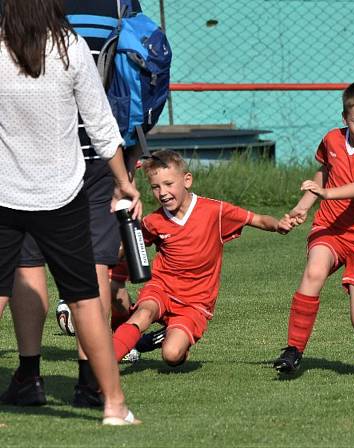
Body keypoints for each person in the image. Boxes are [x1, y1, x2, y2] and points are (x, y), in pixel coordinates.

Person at [1, 0, 146, 409]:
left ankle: (28, 377)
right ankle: (103, 395)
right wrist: (124, 181)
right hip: (70, 185)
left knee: (16, 281)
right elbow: (101, 123)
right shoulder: (72, 45)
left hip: (6, 191)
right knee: (87, 289)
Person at [111, 150, 295, 365]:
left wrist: (278, 225)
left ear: (187, 180)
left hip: (195, 301)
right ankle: (101, 368)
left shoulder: (214, 211)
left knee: (172, 356)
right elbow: (131, 246)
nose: (163, 193)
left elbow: (257, 219)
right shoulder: (153, 221)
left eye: (169, 184)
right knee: (142, 314)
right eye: (155, 187)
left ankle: (166, 338)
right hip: (162, 288)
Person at [273, 80, 354, 375]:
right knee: (314, 271)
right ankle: (293, 350)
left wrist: (326, 193)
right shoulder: (331, 140)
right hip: (331, 227)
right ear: (344, 119)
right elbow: (325, 171)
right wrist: (303, 206)